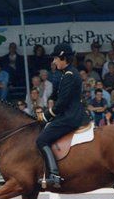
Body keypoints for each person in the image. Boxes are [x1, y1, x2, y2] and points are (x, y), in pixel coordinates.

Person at [36, 43, 90, 188]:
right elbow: (58, 97)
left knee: (41, 140)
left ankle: (54, 175)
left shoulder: (69, 76)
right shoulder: (66, 74)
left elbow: (62, 103)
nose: (53, 62)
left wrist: (46, 117)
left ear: (63, 58)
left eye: (55, 58)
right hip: (70, 114)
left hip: (70, 117)